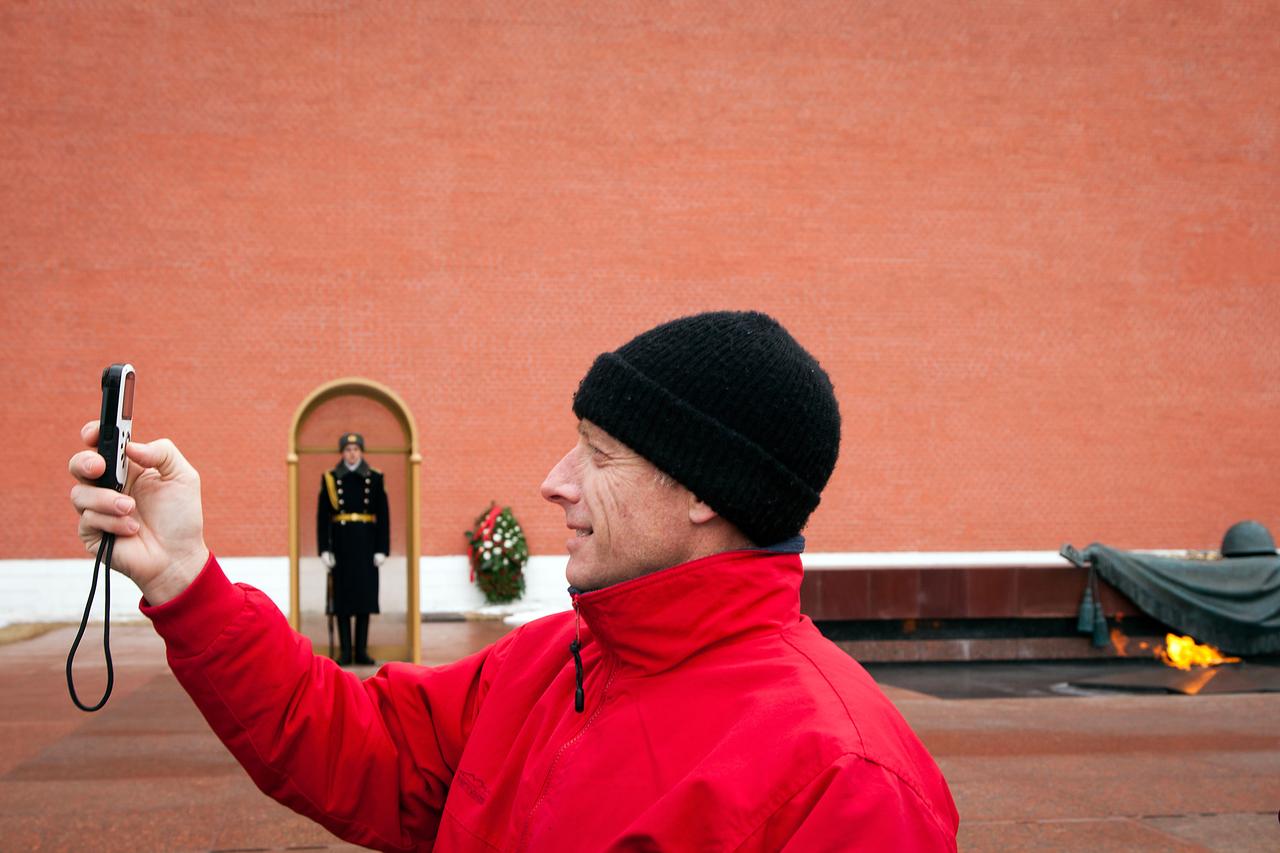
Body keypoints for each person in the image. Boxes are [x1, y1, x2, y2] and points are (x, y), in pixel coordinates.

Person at [68, 311, 959, 851]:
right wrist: (185, 579)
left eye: (599, 455)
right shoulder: (551, 660)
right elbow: (362, 750)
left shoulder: (848, 779)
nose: (555, 481)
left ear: (701, 495)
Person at [317, 432, 390, 665]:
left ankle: (361, 651)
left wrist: (382, 548)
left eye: (356, 450)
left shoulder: (375, 478)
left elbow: (384, 516)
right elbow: (323, 517)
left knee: (364, 600)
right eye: (348, 450)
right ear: (343, 453)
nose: (352, 454)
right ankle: (345, 652)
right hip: (341, 545)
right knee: (342, 600)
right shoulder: (330, 478)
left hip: (366, 546)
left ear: (361, 452)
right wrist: (324, 549)